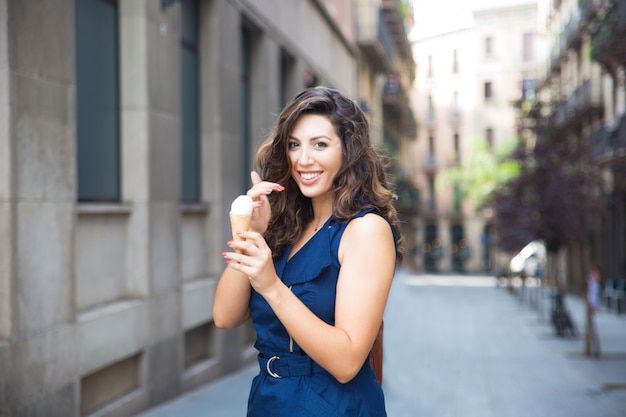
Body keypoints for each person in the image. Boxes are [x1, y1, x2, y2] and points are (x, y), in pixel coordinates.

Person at [213, 86, 403, 416]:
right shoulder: (287, 225)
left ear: (348, 151)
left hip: (332, 406)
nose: (303, 159)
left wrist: (272, 286)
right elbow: (225, 316)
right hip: (269, 401)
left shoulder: (366, 230)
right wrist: (250, 233)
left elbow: (346, 361)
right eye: (294, 145)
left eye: (320, 144)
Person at [586, 265, 601, 356]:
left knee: (595, 328)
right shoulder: (593, 283)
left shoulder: (595, 285)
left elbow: (594, 297)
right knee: (593, 328)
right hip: (591, 305)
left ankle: (596, 349)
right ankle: (595, 348)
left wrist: (594, 306)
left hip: (593, 306)